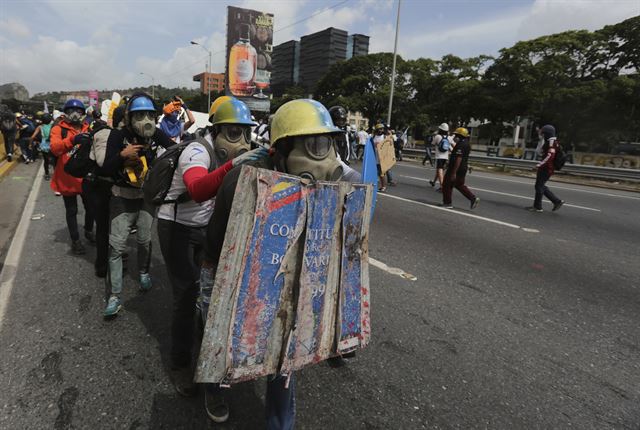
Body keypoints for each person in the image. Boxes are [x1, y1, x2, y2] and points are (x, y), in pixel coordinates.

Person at [198, 99, 358, 428]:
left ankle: (279, 423)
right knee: (220, 340)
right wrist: (213, 287)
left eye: (327, 145)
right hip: (239, 275)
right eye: (313, 146)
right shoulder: (244, 181)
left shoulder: (323, 188)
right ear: (281, 151)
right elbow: (218, 242)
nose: (325, 159)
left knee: (284, 353)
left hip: (286, 279)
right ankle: (213, 387)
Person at [158, 98, 267, 415]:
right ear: (216, 130)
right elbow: (198, 189)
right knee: (187, 292)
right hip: (176, 226)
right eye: (233, 133)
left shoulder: (233, 153)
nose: (241, 143)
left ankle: (209, 362)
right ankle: (181, 363)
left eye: (245, 135)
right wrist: (234, 164)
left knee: (212, 299)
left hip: (206, 228)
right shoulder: (196, 151)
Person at [100, 93, 174, 317]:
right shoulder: (117, 136)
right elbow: (104, 169)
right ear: (130, 118)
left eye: (151, 115)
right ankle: (114, 296)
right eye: (140, 115)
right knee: (117, 247)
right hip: (121, 198)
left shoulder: (156, 135)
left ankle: (143, 272)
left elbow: (174, 149)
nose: (147, 120)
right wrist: (122, 155)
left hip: (146, 198)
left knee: (144, 239)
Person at [50, 99, 95, 255]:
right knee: (72, 210)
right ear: (65, 113)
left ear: (83, 113)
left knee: (91, 208)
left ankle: (89, 231)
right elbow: (55, 149)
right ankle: (75, 240)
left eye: (78, 111)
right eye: (70, 111)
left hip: (85, 177)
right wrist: (72, 140)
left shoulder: (88, 128)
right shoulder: (58, 129)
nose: (75, 114)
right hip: (67, 177)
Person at [526, 124, 564, 212]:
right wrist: (540, 140)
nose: (542, 135)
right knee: (540, 185)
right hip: (547, 167)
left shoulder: (551, 142)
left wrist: (540, 165)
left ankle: (538, 207)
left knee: (539, 186)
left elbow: (550, 155)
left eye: (543, 133)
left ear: (547, 133)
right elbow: (539, 152)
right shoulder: (550, 141)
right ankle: (556, 201)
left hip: (547, 168)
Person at [442, 127, 479, 209]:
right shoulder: (467, 144)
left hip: (456, 169)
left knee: (447, 184)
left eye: (457, 134)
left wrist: (454, 172)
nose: (455, 136)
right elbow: (465, 158)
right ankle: (473, 198)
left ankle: (447, 203)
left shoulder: (460, 145)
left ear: (460, 135)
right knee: (459, 185)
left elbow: (459, 158)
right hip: (463, 168)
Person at [29, 112, 54, 180]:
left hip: (44, 146)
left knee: (46, 161)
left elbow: (32, 137)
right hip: (53, 145)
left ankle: (47, 174)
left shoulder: (40, 127)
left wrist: (30, 144)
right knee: (55, 160)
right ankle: (56, 174)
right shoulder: (53, 125)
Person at [429, 123, 450, 190]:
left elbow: (432, 144)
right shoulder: (449, 137)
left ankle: (442, 186)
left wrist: (433, 135)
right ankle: (434, 182)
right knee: (439, 169)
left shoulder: (437, 136)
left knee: (440, 169)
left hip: (439, 156)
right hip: (446, 156)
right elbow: (452, 145)